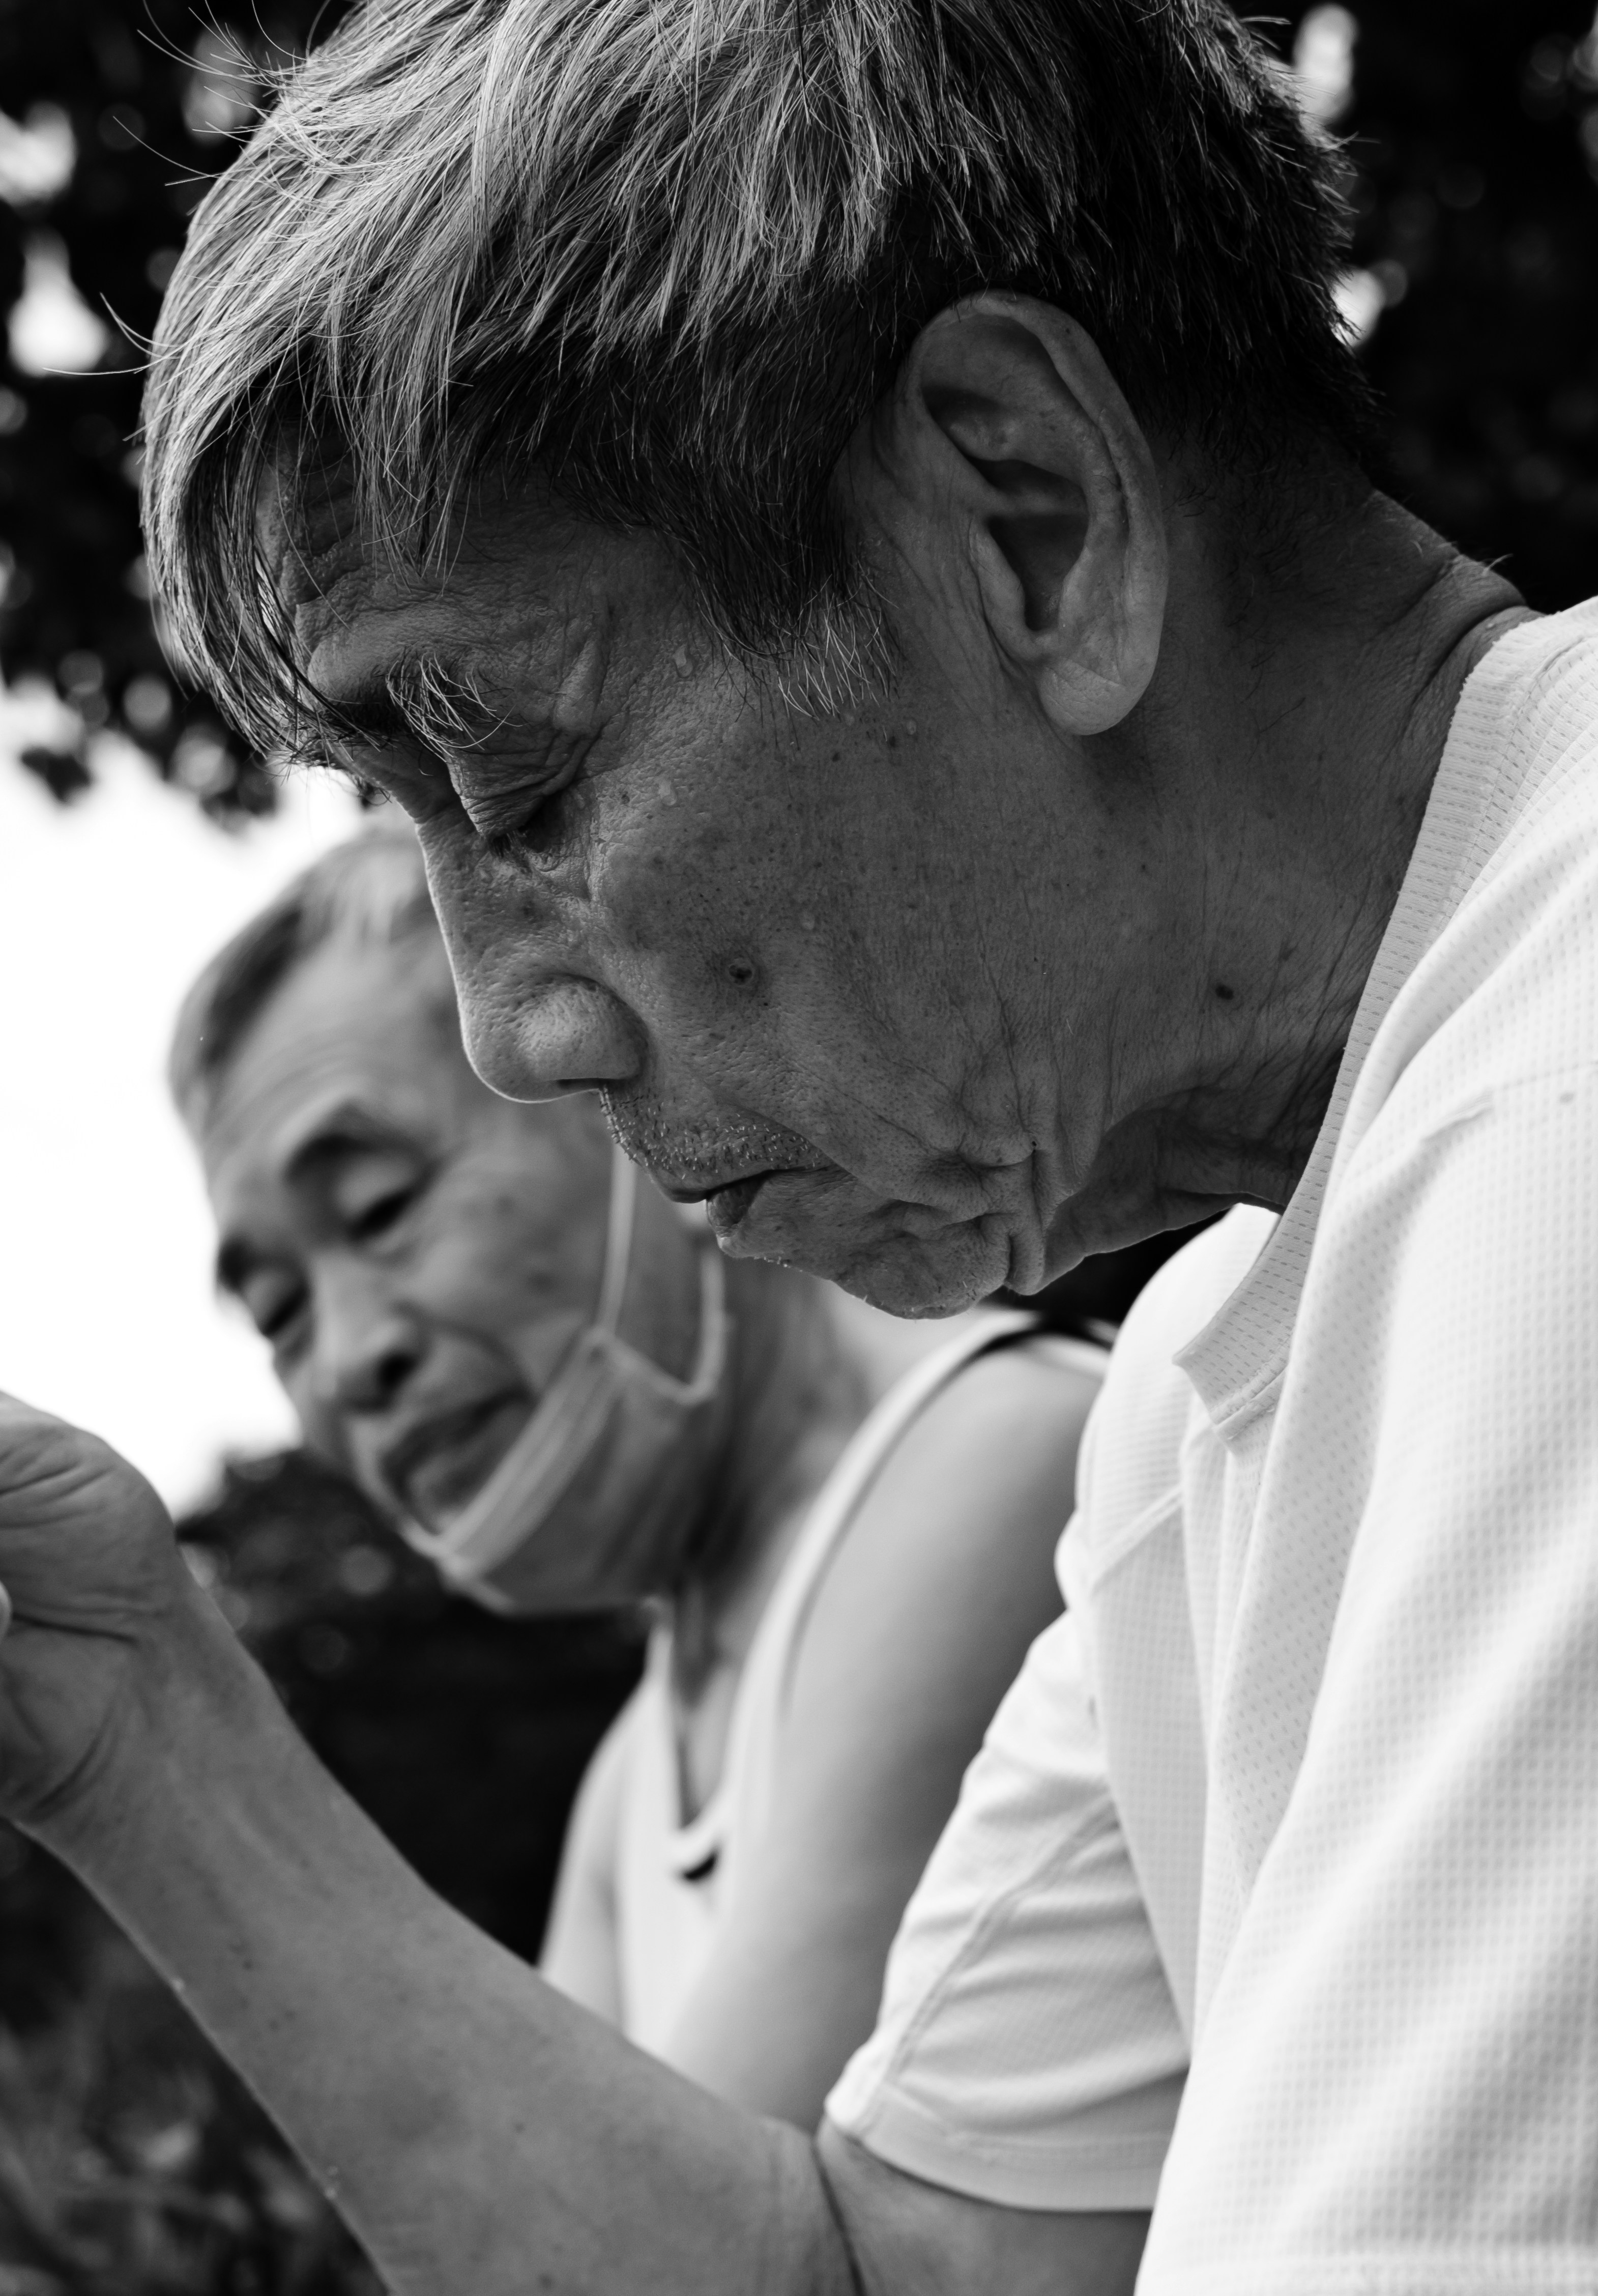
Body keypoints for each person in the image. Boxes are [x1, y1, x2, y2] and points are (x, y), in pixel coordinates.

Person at [1, 0, 1598, 2290]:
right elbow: (881, 2275)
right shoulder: (1226, 1330)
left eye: (522, 778)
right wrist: (125, 1710)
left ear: (1027, 520)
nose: (512, 1024)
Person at [171, 819, 1102, 2126]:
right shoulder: (635, 1774)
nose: (347, 1359)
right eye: (279, 1313)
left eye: (380, 1209)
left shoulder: (989, 1469)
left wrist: (152, 1747)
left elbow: (717, 2247)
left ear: (625, 1095)